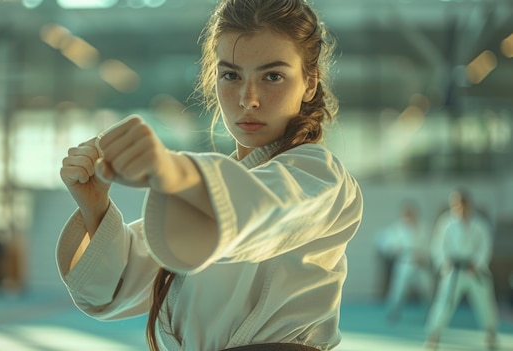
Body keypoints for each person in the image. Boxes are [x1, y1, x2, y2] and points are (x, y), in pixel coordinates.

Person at [56, 1, 363, 350]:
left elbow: (259, 210)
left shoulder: (320, 177)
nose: (249, 99)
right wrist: (95, 209)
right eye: (231, 75)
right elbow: (113, 289)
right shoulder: (206, 199)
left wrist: (171, 169)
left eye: (273, 76)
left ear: (310, 84)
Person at [425, 189, 499, 350]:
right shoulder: (445, 223)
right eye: (456, 204)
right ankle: (434, 335)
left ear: (468, 204)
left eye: (462, 204)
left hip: (476, 270)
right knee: (443, 304)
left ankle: (490, 333)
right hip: (454, 270)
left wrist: (477, 263)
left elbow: (486, 247)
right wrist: (445, 264)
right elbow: (437, 247)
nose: (459, 208)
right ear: (452, 205)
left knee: (486, 304)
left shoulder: (480, 224)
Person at [377, 201, 434, 322]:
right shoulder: (397, 228)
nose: (409, 216)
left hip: (421, 264)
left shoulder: (425, 227)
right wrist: (397, 249)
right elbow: (386, 244)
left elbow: (431, 246)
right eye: (406, 213)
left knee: (427, 288)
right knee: (398, 291)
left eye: (411, 213)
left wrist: (424, 256)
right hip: (405, 263)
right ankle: (393, 312)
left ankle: (430, 312)